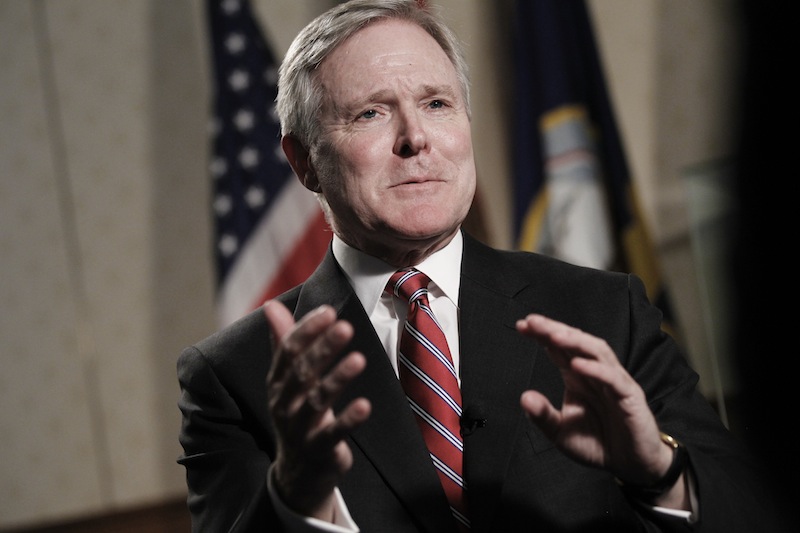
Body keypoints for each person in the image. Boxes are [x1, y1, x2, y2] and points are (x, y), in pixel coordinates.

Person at [177, 1, 784, 531]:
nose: (417, 138)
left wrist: (659, 472)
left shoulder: (604, 311)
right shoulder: (233, 376)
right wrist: (296, 497)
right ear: (304, 159)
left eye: (437, 103)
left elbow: (756, 513)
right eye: (371, 113)